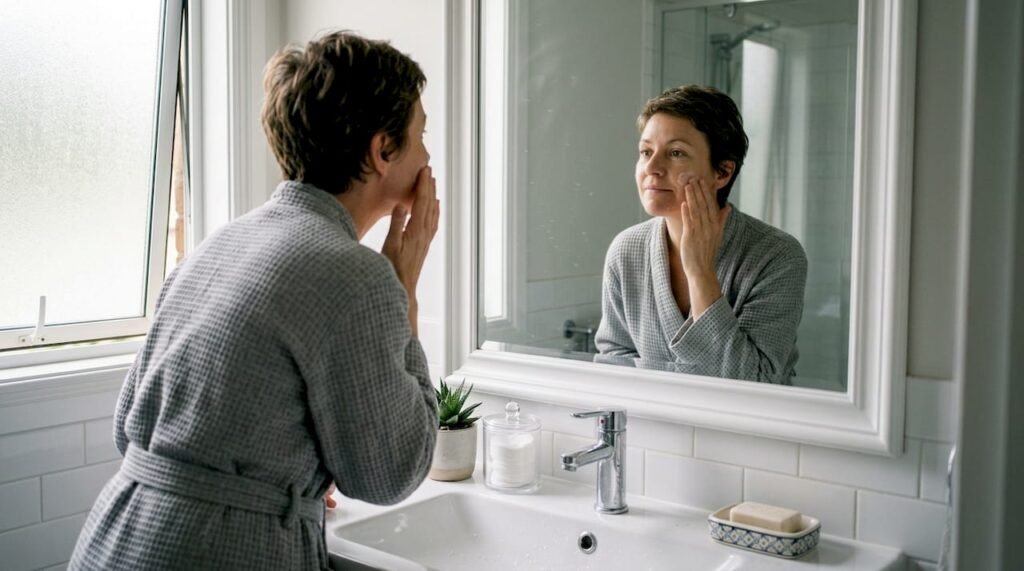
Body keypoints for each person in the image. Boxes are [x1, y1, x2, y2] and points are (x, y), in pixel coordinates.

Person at [70, 31, 440, 570]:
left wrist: (279, 474)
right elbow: (390, 474)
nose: (428, 154)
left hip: (117, 537)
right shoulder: (358, 276)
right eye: (421, 134)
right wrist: (404, 287)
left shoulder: (219, 244)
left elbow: (132, 425)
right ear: (382, 150)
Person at [595, 85, 807, 384]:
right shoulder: (626, 249)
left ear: (722, 173)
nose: (652, 168)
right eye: (646, 152)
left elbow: (756, 384)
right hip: (654, 427)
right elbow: (614, 362)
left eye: (676, 153)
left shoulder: (776, 255)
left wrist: (700, 273)